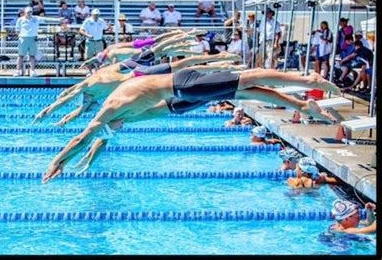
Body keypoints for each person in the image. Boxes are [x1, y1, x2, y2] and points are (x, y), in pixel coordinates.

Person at [41, 69, 340, 181]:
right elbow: (95, 140)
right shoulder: (119, 105)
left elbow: (83, 138)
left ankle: (307, 82)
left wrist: (58, 161)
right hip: (178, 101)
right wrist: (77, 161)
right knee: (239, 90)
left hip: (184, 87)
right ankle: (300, 104)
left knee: (246, 80)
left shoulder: (114, 108)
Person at [34, 51, 242, 127]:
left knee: (185, 64)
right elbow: (77, 111)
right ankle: (223, 66)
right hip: (140, 77)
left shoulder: (88, 85)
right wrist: (62, 121)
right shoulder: (90, 99)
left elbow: (65, 97)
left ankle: (222, 62)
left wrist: (46, 111)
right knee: (184, 69)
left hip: (139, 73)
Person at [81, 29, 201, 69]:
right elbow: (94, 59)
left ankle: (182, 36)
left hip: (141, 49)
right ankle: (179, 34)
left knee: (168, 47)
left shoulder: (112, 57)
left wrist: (99, 69)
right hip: (137, 44)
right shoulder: (110, 49)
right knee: (162, 41)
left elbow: (113, 67)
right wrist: (86, 63)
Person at [14, 6, 62, 77]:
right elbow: (17, 30)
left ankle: (32, 71)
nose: (29, 13)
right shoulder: (20, 20)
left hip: (33, 38)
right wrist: (21, 37)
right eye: (28, 12)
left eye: (30, 12)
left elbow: (46, 19)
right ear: (25, 13)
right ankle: (18, 71)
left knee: (32, 56)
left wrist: (58, 20)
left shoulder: (35, 18)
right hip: (23, 39)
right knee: (21, 56)